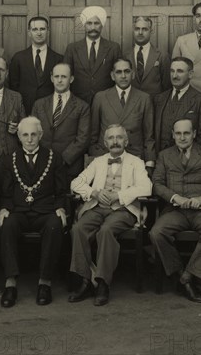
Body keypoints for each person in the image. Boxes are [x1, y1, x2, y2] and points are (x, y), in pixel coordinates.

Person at [69, 124, 152, 306]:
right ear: (105, 143)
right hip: (98, 207)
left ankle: (102, 283)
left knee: (106, 231)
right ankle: (84, 280)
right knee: (78, 229)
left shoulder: (135, 162)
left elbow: (147, 187)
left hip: (123, 210)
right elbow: (75, 183)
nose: (115, 141)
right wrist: (94, 193)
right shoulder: (98, 162)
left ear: (126, 141)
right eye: (111, 138)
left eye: (119, 137)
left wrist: (119, 196)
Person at [149, 118, 201, 303]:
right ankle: (181, 275)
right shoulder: (164, 155)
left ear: (194, 134)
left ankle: (188, 275)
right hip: (175, 210)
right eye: (178, 133)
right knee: (156, 233)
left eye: (186, 133)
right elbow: (157, 184)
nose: (182, 137)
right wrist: (174, 197)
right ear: (173, 135)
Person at [0, 117, 68, 307]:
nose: (29, 139)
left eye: (33, 135)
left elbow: (62, 191)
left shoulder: (54, 157)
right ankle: (10, 283)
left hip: (45, 211)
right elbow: (5, 191)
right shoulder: (9, 159)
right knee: (8, 224)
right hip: (18, 211)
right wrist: (4, 208)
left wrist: (61, 208)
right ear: (19, 136)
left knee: (54, 225)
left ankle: (44, 282)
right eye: (25, 135)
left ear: (41, 135)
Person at [89, 58, 155, 173]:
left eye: (127, 71)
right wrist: (97, 155)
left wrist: (149, 163)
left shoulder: (144, 98)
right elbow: (93, 134)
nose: (123, 76)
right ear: (112, 76)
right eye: (119, 72)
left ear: (133, 74)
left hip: (134, 158)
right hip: (106, 157)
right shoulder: (100, 97)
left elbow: (149, 136)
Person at [31, 63, 90, 183]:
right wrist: (42, 158)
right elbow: (32, 132)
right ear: (52, 78)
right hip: (41, 164)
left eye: (64, 76)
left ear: (71, 79)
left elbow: (82, 139)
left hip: (69, 166)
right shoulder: (39, 104)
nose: (59, 80)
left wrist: (61, 159)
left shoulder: (82, 106)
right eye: (56, 76)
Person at [153, 57, 201, 153]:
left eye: (180, 71)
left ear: (190, 74)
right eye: (172, 71)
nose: (174, 75)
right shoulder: (159, 99)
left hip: (187, 162)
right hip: (160, 161)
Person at [63, 6, 123, 104]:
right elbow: (66, 75)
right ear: (84, 25)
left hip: (107, 102)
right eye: (89, 23)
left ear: (102, 25)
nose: (93, 27)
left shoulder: (113, 48)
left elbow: (119, 75)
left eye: (96, 23)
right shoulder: (72, 48)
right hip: (78, 102)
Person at [9, 16, 63, 114]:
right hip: (24, 111)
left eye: (42, 29)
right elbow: (13, 88)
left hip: (50, 111)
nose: (39, 33)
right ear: (29, 32)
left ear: (48, 31)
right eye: (35, 29)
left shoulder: (59, 59)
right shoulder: (18, 58)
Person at [124, 16, 171, 96]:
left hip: (155, 104)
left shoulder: (162, 55)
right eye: (137, 29)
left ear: (151, 31)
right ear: (133, 31)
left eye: (144, 29)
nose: (140, 32)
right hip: (132, 104)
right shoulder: (125, 55)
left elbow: (167, 86)